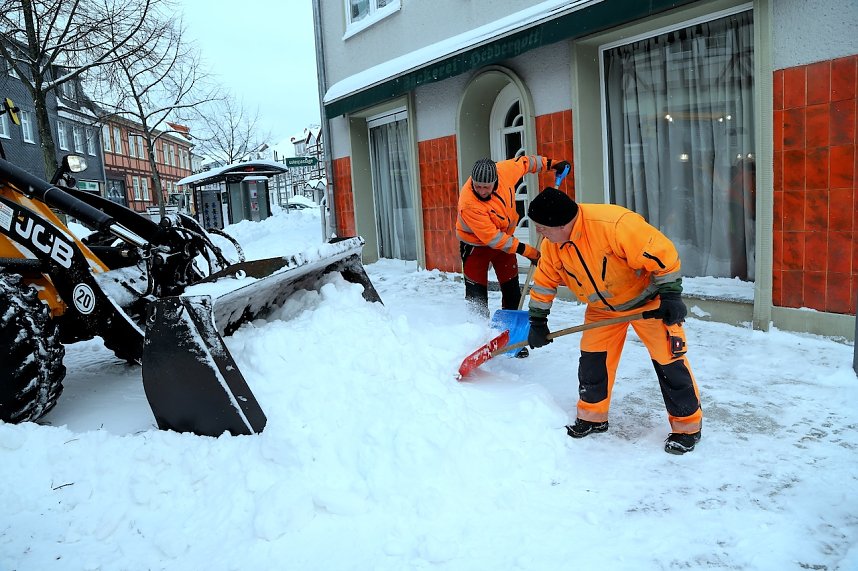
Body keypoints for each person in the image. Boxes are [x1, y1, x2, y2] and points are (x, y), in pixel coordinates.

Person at [525, 187, 703, 454]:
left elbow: (661, 254)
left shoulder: (614, 225)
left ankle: (687, 428)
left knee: (670, 361)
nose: (540, 232)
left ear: (561, 223)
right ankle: (593, 417)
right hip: (602, 309)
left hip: (648, 301)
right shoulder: (553, 245)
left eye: (542, 227)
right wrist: (538, 321)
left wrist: (671, 296)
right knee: (593, 360)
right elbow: (544, 282)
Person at [457, 156, 570, 320]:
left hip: (505, 243)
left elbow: (526, 163)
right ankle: (479, 334)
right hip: (475, 247)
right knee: (477, 296)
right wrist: (527, 251)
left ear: (495, 181)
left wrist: (551, 164)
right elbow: (494, 238)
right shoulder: (469, 203)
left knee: (511, 289)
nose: (481, 191)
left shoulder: (505, 171)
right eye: (477, 186)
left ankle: (510, 333)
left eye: (486, 187)